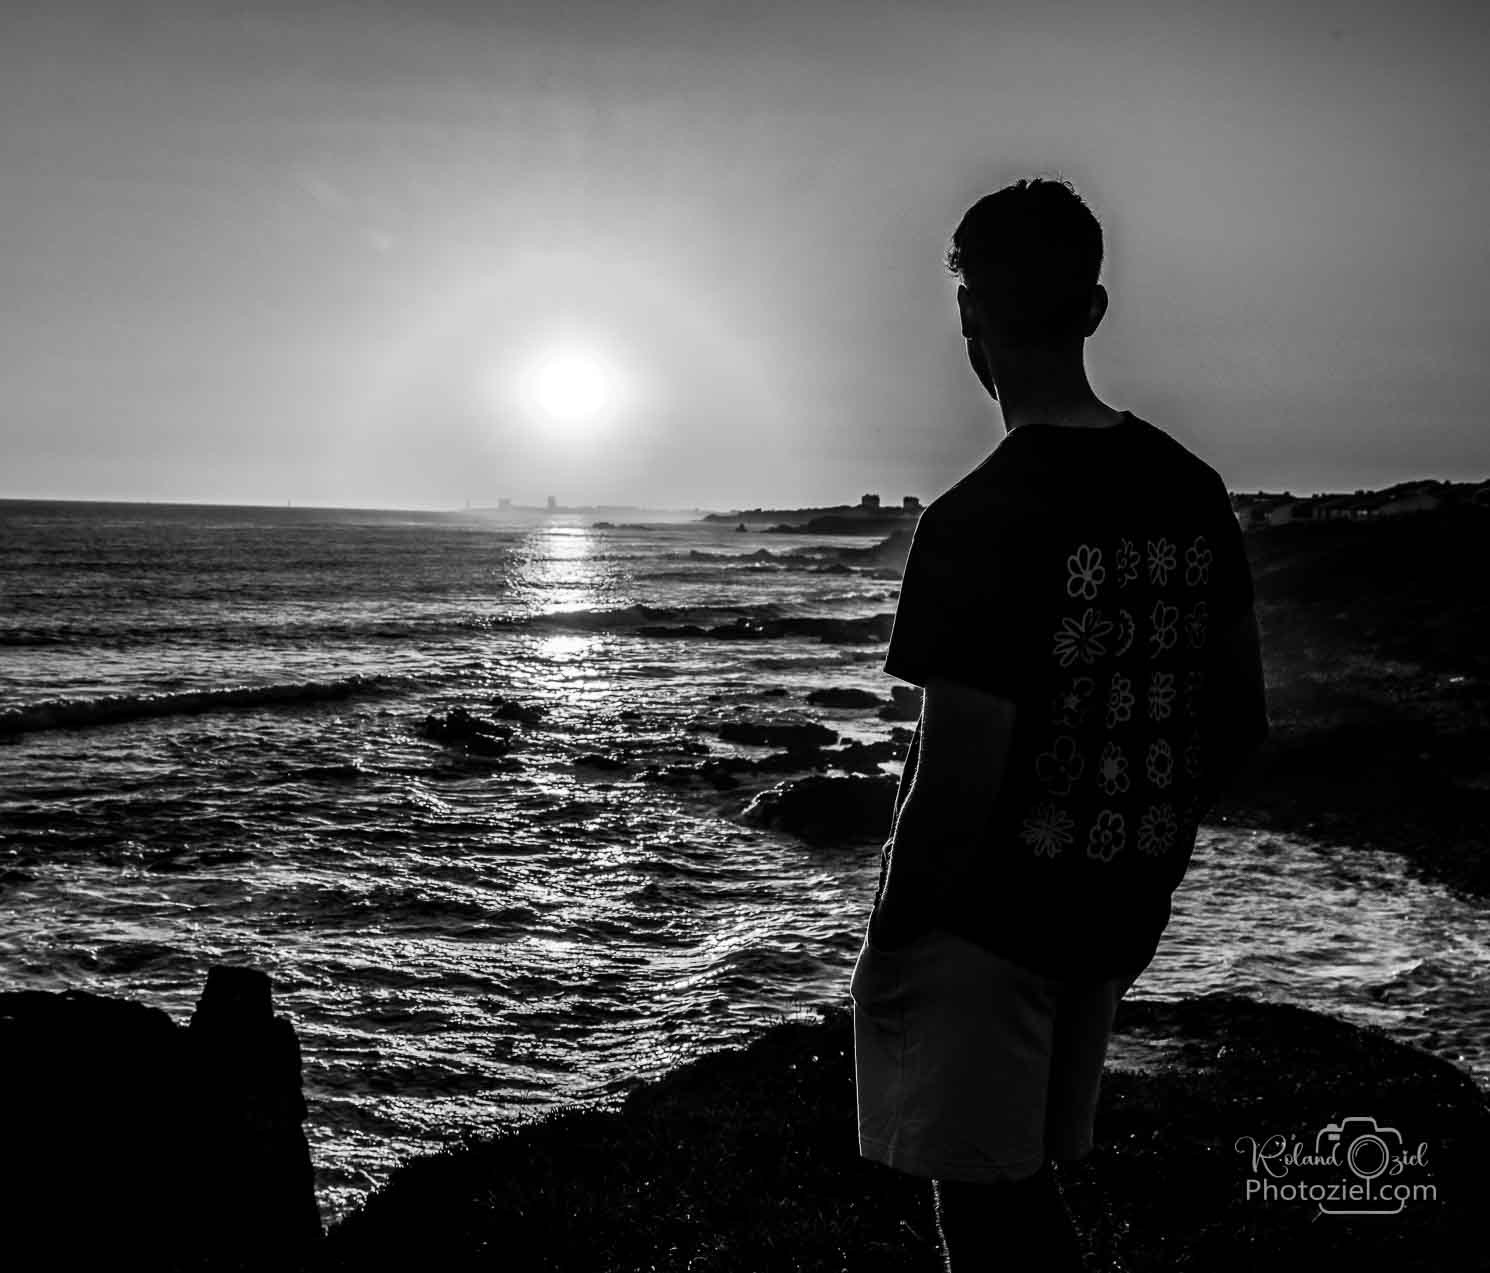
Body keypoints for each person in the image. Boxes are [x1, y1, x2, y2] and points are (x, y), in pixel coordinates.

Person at [850, 176, 1269, 1271]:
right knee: (1033, 1192)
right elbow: (1233, 721)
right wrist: (1143, 848)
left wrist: (889, 929)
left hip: (988, 927)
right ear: (1091, 309)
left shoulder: (974, 522)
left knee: (989, 1218)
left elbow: (954, 783)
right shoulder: (1190, 488)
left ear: (966, 317)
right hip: (1115, 907)